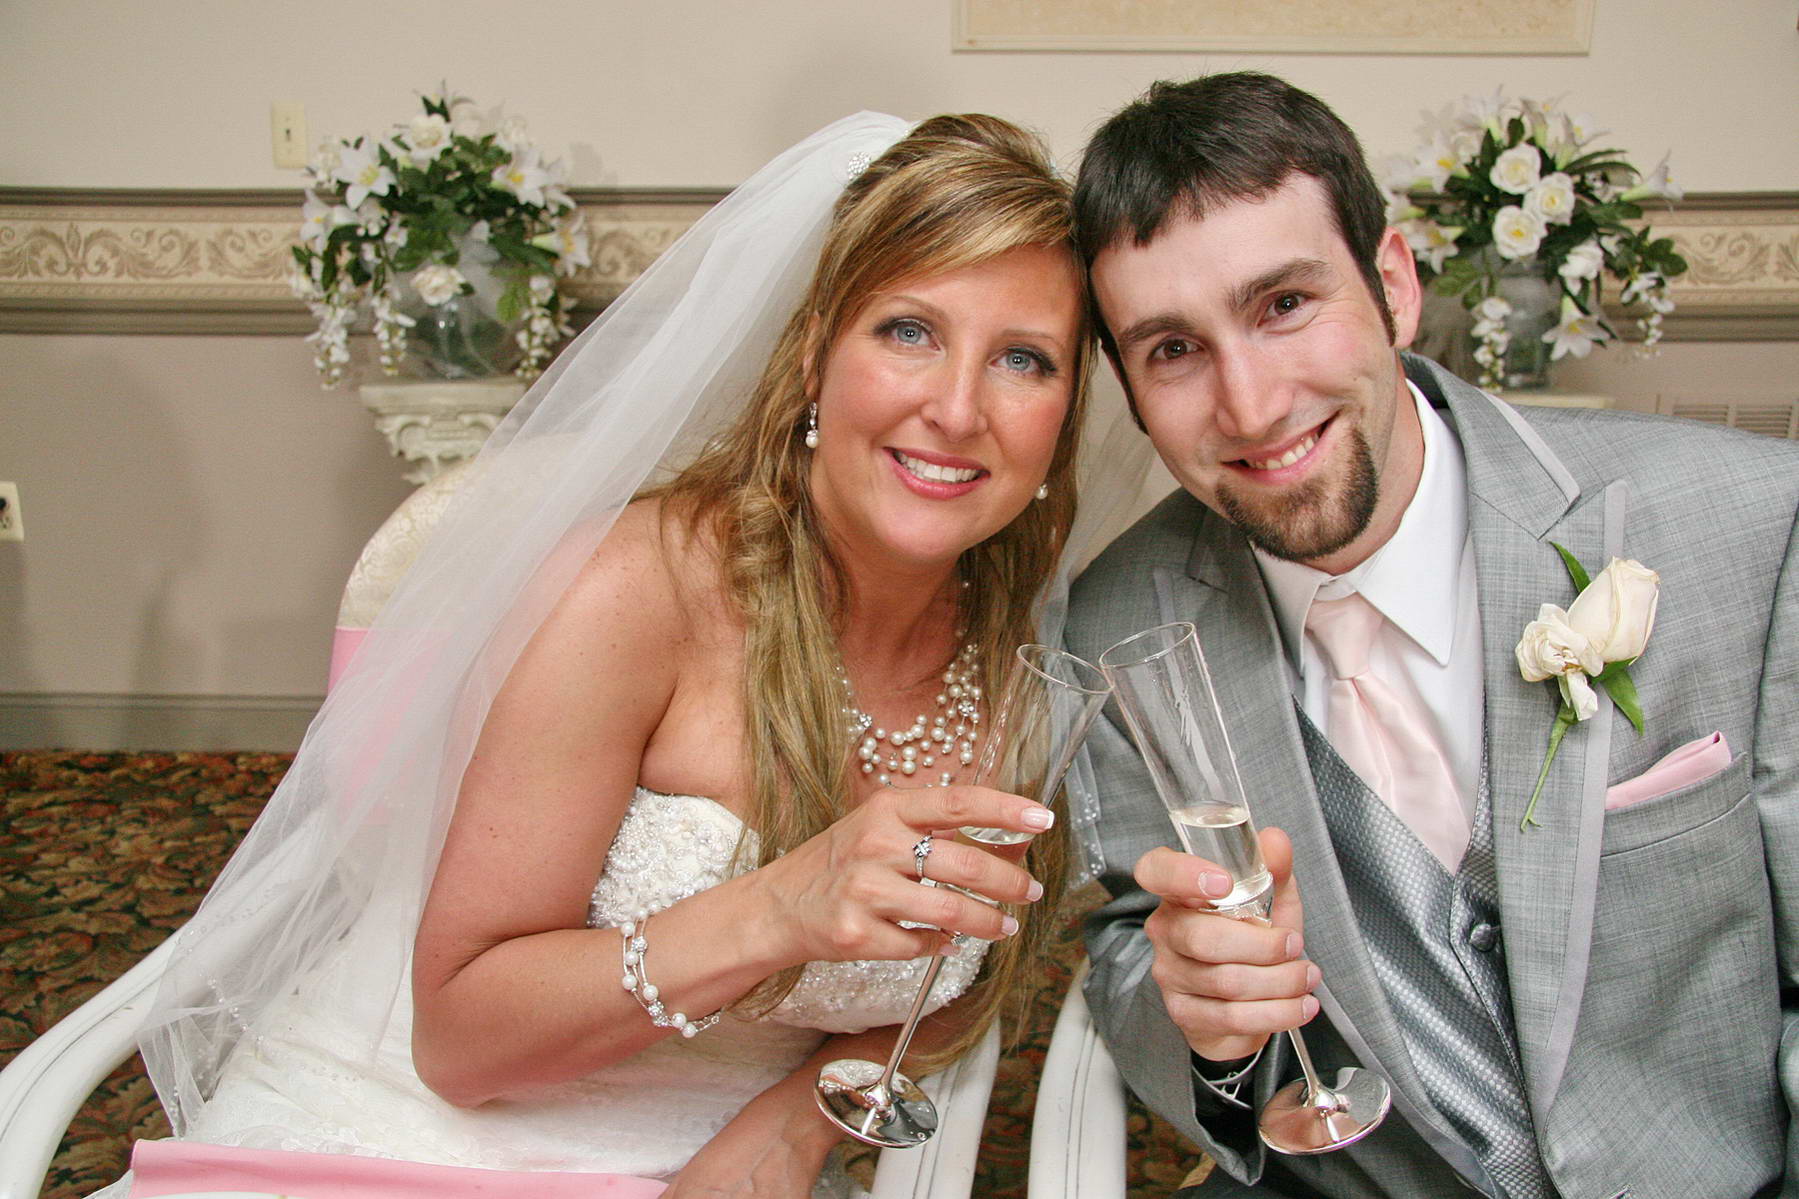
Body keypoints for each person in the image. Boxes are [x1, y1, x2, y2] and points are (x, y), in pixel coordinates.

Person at [94, 110, 1123, 1199]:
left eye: (1022, 358)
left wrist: (791, 1126)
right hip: (426, 1137)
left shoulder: (1026, 659)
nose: (956, 407)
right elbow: (461, 1040)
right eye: (908, 330)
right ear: (817, 352)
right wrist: (777, 905)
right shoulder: (636, 592)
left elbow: (962, 973)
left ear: (1062, 419)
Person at [1063, 72, 1799, 1197]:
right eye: (1172, 349)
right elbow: (1128, 943)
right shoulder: (1119, 618)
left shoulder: (1747, 527)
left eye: (1283, 305)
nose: (1251, 405)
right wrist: (1204, 1027)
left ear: (1392, 286)